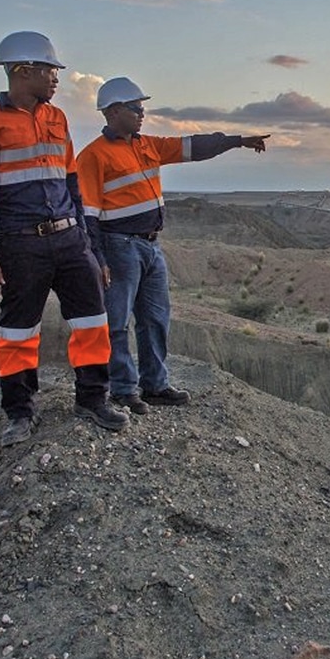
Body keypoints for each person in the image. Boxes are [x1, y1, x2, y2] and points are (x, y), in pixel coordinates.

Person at [0, 31, 127, 446]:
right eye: (49, 69)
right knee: (18, 331)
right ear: (22, 71)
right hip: (21, 244)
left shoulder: (57, 118)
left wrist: (88, 245)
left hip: (70, 239)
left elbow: (72, 184)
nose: (56, 77)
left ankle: (93, 399)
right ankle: (19, 411)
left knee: (92, 321)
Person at [77, 77, 268, 413]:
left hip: (151, 247)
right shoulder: (93, 156)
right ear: (115, 111)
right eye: (137, 108)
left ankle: (154, 385)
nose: (143, 114)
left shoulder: (147, 144)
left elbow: (194, 146)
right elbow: (88, 215)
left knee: (155, 318)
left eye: (143, 108)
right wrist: (97, 258)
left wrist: (237, 141)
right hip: (118, 246)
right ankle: (123, 389)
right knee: (118, 322)